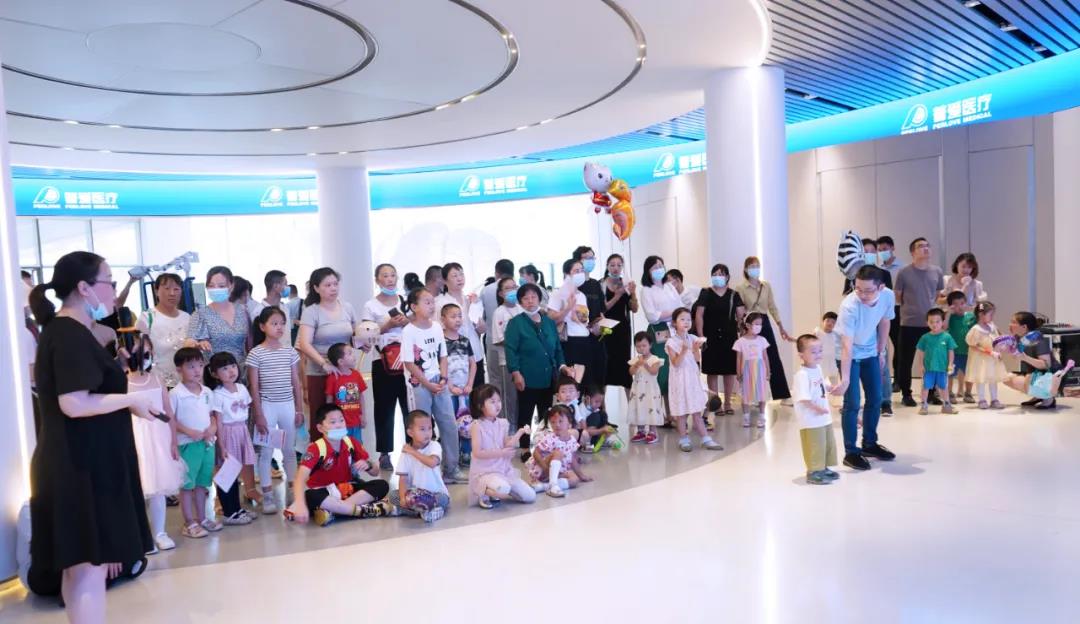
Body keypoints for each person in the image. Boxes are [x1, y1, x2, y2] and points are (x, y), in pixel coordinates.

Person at [28, 251, 158, 623]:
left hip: (80, 461)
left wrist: (126, 400)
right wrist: (131, 399)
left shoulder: (70, 331)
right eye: (109, 282)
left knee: (80, 568)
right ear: (84, 288)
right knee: (88, 569)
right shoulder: (67, 334)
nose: (114, 291)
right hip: (80, 467)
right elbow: (74, 403)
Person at [285, 405, 393, 527]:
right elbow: (300, 478)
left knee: (382, 485)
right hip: (325, 493)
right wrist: (300, 504)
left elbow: (375, 472)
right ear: (320, 428)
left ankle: (335, 511)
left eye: (341, 420)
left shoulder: (351, 443)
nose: (339, 425)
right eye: (333, 422)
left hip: (347, 490)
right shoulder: (316, 448)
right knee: (310, 496)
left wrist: (368, 465)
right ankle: (359, 511)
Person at [834, 265, 897, 471]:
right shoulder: (849, 306)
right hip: (849, 354)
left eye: (868, 290)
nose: (862, 294)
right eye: (858, 289)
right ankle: (851, 452)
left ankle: (869, 444)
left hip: (870, 350)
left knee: (876, 398)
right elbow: (846, 345)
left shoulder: (888, 296)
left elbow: (885, 322)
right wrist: (845, 378)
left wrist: (881, 351)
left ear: (881, 287)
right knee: (852, 402)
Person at [126, 335, 185, 551]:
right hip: (135, 438)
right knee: (137, 487)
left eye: (147, 353)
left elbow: (168, 412)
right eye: (138, 353)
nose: (143, 357)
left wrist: (173, 441)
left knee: (158, 486)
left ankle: (159, 532)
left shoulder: (157, 379)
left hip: (158, 438)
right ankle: (139, 535)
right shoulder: (122, 381)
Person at [400, 287, 465, 483]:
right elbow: (409, 363)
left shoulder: (436, 327)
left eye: (432, 302)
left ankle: (451, 468)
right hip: (419, 383)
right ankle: (422, 471)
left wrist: (443, 378)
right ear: (414, 307)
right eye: (426, 302)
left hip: (439, 381)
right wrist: (428, 384)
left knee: (449, 423)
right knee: (421, 427)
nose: (431, 305)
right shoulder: (409, 330)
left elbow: (442, 355)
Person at [246, 306, 304, 513]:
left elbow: (296, 382)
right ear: (262, 327)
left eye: (282, 324)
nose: (279, 327)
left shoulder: (289, 351)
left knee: (289, 450)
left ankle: (294, 491)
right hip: (267, 406)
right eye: (274, 323)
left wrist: (299, 409)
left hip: (287, 405)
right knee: (266, 452)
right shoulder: (256, 353)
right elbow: (254, 387)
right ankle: (268, 495)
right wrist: (259, 414)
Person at [505, 283, 570, 460]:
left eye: (533, 297)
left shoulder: (548, 322)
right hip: (527, 376)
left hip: (549, 376)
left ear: (539, 299)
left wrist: (563, 366)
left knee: (547, 412)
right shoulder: (515, 323)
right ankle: (525, 447)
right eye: (525, 298)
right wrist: (515, 373)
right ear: (520, 302)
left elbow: (557, 348)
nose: (530, 301)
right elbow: (510, 350)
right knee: (525, 412)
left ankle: (545, 444)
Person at [169, 347, 223, 538]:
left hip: (207, 444)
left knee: (202, 483)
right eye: (191, 367)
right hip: (187, 445)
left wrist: (212, 428)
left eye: (199, 366)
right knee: (187, 485)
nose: (197, 370)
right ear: (179, 369)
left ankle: (202, 518)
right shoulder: (176, 394)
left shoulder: (207, 392)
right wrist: (188, 431)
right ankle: (189, 522)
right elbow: (170, 420)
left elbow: (212, 415)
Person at [361, 263, 410, 472]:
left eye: (392, 275)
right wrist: (387, 325)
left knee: (409, 405)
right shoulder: (370, 306)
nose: (390, 279)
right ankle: (384, 453)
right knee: (384, 408)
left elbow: (417, 326)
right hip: (382, 361)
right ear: (377, 280)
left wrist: (406, 322)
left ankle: (412, 448)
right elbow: (366, 335)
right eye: (385, 276)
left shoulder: (405, 301)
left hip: (407, 361)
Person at [297, 267, 359, 421]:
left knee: (347, 415)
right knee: (322, 418)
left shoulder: (347, 307)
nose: (333, 288)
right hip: (319, 373)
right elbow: (304, 344)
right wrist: (324, 364)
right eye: (328, 285)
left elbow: (355, 335)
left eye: (335, 284)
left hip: (344, 372)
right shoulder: (311, 312)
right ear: (316, 288)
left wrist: (362, 343)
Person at [205, 351, 258, 526]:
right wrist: (221, 445)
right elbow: (218, 421)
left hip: (241, 430)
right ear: (214, 374)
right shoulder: (218, 394)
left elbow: (246, 412)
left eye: (233, 366)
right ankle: (229, 512)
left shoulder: (241, 388)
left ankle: (237, 508)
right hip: (227, 433)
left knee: (236, 472)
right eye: (225, 368)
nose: (231, 371)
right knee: (227, 474)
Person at [893, 237, 945, 407]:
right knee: (905, 360)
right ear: (912, 252)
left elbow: (937, 295)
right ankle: (906, 394)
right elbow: (898, 296)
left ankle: (931, 392)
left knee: (932, 360)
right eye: (921, 246)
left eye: (927, 245)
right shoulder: (904, 272)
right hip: (908, 323)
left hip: (930, 324)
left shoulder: (937, 271)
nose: (926, 248)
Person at [733, 257, 793, 402]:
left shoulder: (766, 286)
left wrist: (780, 326)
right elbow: (739, 310)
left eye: (757, 266)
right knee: (751, 358)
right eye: (752, 266)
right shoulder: (740, 288)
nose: (755, 269)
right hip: (749, 323)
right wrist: (742, 328)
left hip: (764, 322)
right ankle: (753, 396)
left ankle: (782, 395)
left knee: (773, 357)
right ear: (746, 269)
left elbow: (772, 307)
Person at [467, 385, 535, 508]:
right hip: (485, 471)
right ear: (480, 406)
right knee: (503, 489)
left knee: (530, 496)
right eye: (492, 402)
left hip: (503, 469)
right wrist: (502, 453)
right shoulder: (477, 425)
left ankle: (499, 488)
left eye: (499, 400)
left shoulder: (503, 423)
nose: (497, 404)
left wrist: (520, 432)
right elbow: (477, 452)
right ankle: (483, 491)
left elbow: (507, 444)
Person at [667, 307, 723, 452]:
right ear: (674, 323)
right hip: (680, 381)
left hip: (692, 379)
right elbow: (676, 363)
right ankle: (684, 439)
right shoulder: (671, 342)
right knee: (681, 413)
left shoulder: (692, 338)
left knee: (696, 411)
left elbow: (697, 359)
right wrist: (684, 350)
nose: (686, 322)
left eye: (688, 319)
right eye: (682, 319)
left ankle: (706, 439)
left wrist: (696, 349)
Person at [694, 263, 746, 414]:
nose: (718, 277)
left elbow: (741, 315)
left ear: (727, 277)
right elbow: (699, 315)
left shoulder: (733, 294)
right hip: (710, 336)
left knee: (729, 371)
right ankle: (715, 404)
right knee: (712, 371)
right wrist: (701, 335)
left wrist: (743, 331)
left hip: (729, 335)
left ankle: (728, 402)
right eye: (715, 274)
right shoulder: (706, 293)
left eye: (721, 274)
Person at [549, 258, 606, 389]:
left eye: (581, 270)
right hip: (569, 342)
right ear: (567, 274)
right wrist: (568, 307)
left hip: (585, 341)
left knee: (586, 381)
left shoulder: (581, 295)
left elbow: (583, 321)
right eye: (576, 271)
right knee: (573, 382)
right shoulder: (558, 294)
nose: (580, 273)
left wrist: (594, 327)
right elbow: (551, 320)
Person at [186, 266, 251, 377]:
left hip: (241, 372)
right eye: (211, 286)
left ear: (231, 286)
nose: (216, 289)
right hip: (216, 374)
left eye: (221, 286)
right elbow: (189, 341)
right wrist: (197, 345)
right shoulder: (201, 314)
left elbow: (249, 343)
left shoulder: (242, 311)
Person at [792, 334, 840, 485]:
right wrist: (817, 409)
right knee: (815, 445)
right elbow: (804, 398)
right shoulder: (802, 375)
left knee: (826, 443)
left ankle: (823, 468)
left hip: (823, 417)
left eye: (820, 350)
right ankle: (813, 472)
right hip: (811, 419)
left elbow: (821, 384)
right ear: (801, 355)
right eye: (813, 352)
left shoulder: (817, 368)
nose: (818, 354)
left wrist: (830, 387)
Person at [390, 410, 450, 522]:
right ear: (410, 433)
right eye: (422, 429)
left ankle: (414, 511)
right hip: (415, 495)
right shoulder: (406, 451)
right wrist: (403, 498)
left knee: (443, 500)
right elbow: (403, 479)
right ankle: (425, 511)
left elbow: (432, 463)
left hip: (435, 493)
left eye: (430, 428)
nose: (427, 433)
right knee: (393, 496)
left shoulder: (434, 446)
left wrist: (413, 452)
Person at [135, 273, 191, 389]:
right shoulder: (147, 318)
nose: (172, 293)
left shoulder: (187, 318)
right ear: (156, 291)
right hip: (159, 385)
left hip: (186, 383)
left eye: (176, 289)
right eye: (167, 288)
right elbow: (139, 355)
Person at [436, 262, 487, 386]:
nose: (460, 278)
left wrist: (480, 326)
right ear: (445, 280)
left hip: (475, 351)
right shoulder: (440, 302)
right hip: (454, 355)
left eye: (461, 274)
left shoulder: (469, 299)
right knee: (460, 391)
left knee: (478, 390)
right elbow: (439, 330)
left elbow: (477, 327)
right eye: (454, 276)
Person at [639, 255, 682, 399]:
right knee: (663, 369)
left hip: (675, 327)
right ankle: (661, 407)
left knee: (677, 366)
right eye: (655, 267)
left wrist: (675, 315)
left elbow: (680, 306)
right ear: (648, 271)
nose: (659, 269)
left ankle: (674, 407)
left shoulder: (669, 286)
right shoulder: (646, 290)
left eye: (661, 266)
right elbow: (652, 315)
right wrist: (672, 313)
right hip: (659, 330)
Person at [1006, 311, 1068, 409]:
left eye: (1013, 322)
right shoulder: (1018, 338)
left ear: (1024, 327)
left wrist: (1025, 357)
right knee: (1006, 377)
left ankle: (1048, 398)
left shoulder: (1038, 340)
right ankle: (1039, 396)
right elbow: (1016, 356)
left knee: (1027, 380)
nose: (1010, 324)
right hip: (1036, 373)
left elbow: (1046, 365)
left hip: (1052, 376)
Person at [526, 405, 592, 497]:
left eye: (560, 421)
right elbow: (536, 453)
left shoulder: (572, 440)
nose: (557, 425)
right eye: (553, 422)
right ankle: (553, 485)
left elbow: (572, 459)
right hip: (543, 470)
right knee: (558, 453)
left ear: (569, 423)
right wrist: (545, 468)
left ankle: (544, 487)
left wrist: (581, 475)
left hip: (558, 472)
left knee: (574, 480)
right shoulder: (550, 438)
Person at [601, 254, 638, 396]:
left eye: (619, 265)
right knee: (605, 367)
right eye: (612, 265)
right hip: (605, 330)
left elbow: (634, 309)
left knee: (624, 368)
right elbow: (603, 308)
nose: (615, 268)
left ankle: (631, 406)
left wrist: (633, 293)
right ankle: (601, 407)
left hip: (622, 331)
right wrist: (618, 295)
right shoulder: (601, 284)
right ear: (607, 266)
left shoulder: (626, 283)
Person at [489, 277, 522, 428]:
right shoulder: (499, 312)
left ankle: (521, 427)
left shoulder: (522, 309)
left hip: (524, 361)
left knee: (521, 398)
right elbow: (498, 339)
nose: (512, 290)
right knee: (510, 397)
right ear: (501, 293)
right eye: (508, 288)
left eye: (514, 287)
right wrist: (518, 343)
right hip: (507, 362)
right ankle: (509, 428)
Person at [965, 301, 1007, 409]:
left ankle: (994, 399)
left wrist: (1001, 346)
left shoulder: (992, 326)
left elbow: (999, 337)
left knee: (993, 379)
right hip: (982, 359)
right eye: (990, 314)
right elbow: (973, 345)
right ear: (981, 314)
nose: (992, 317)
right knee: (981, 379)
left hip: (993, 359)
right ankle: (982, 399)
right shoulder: (976, 329)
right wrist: (989, 352)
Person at [915, 309, 958, 415]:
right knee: (925, 387)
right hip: (928, 368)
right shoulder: (925, 338)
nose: (934, 324)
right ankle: (924, 405)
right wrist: (921, 365)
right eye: (931, 322)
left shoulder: (947, 337)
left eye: (937, 321)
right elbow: (920, 353)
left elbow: (951, 352)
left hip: (942, 368)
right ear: (927, 323)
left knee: (943, 387)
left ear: (943, 322)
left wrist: (950, 364)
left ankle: (946, 405)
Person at [733, 313, 771, 427]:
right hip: (746, 370)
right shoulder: (740, 341)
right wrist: (738, 372)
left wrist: (768, 371)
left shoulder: (762, 340)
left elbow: (765, 357)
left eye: (760, 324)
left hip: (760, 370)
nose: (759, 326)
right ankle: (746, 417)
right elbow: (738, 358)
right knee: (746, 394)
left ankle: (762, 416)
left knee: (762, 394)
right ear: (748, 325)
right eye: (756, 324)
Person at [324, 342, 367, 441]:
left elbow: (361, 396)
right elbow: (329, 400)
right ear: (341, 361)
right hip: (339, 425)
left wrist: (363, 415)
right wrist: (329, 420)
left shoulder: (356, 375)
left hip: (356, 422)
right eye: (350, 353)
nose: (354, 356)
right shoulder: (332, 378)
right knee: (342, 447)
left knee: (356, 446)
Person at [627, 332, 664, 444]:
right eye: (638, 346)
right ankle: (641, 431)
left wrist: (645, 364)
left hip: (651, 390)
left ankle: (653, 431)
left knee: (651, 407)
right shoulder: (636, 360)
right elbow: (631, 372)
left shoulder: (655, 359)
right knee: (639, 407)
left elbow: (654, 372)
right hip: (638, 389)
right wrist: (637, 364)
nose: (641, 348)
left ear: (650, 345)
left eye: (644, 345)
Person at [440, 303, 477, 415]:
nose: (458, 320)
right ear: (443, 319)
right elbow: (440, 366)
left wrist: (469, 385)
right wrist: (450, 386)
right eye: (453, 317)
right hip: (448, 391)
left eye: (460, 316)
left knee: (465, 420)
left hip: (465, 390)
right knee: (450, 419)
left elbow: (473, 364)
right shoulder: (440, 341)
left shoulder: (465, 340)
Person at [945, 291, 977, 404]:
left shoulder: (971, 316)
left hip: (968, 351)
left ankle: (968, 393)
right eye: (956, 304)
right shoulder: (950, 317)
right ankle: (949, 393)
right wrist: (948, 313)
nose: (960, 307)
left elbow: (977, 328)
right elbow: (944, 327)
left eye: (962, 303)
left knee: (969, 374)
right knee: (950, 373)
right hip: (953, 352)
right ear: (951, 306)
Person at [481, 259, 515, 362]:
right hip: (516, 343)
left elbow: (481, 317)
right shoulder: (518, 290)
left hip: (492, 341)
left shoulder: (486, 290)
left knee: (495, 371)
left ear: (496, 273)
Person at [253, 270, 291, 348]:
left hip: (287, 352)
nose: (288, 287)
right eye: (285, 284)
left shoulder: (285, 308)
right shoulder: (258, 311)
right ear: (276, 286)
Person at [814, 311, 840, 385]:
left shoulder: (836, 334)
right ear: (823, 321)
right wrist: (794, 340)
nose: (830, 323)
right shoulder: (818, 332)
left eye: (833, 322)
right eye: (827, 320)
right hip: (821, 361)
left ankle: (834, 391)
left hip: (833, 362)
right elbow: (807, 340)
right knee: (819, 382)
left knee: (834, 383)